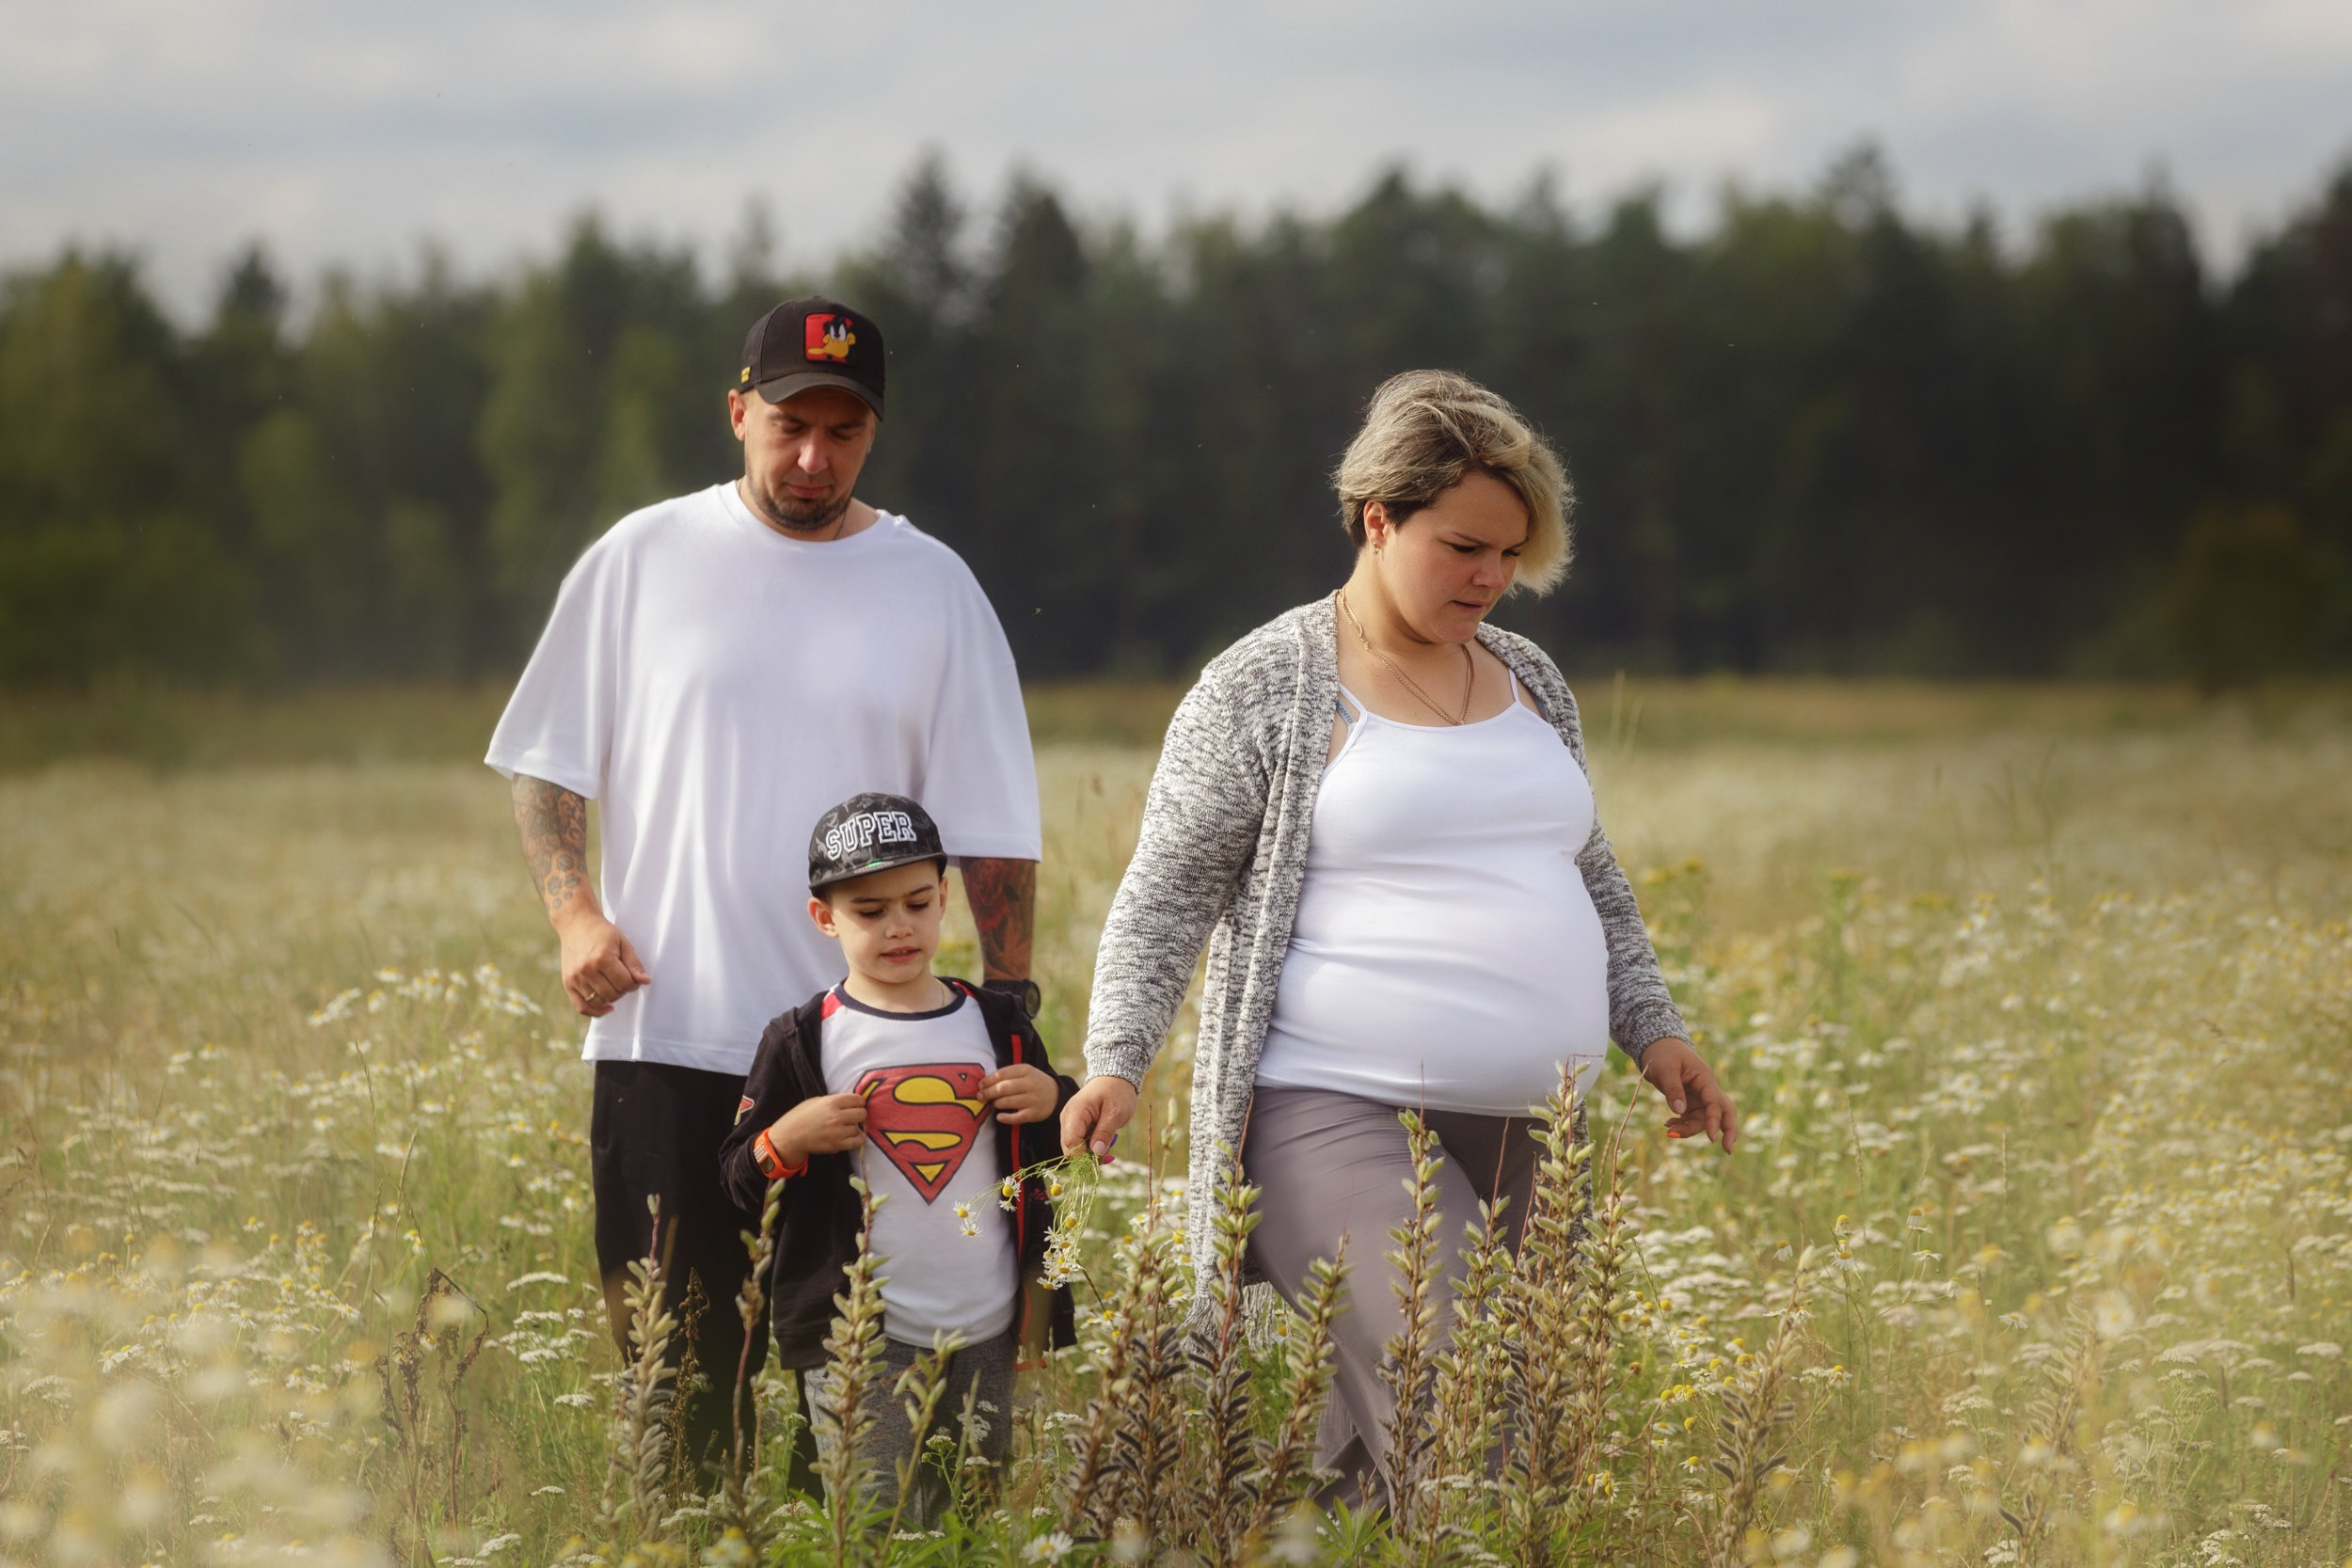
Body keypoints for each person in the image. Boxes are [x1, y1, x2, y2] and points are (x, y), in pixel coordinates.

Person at [1059, 369, 1740, 1499]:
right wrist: (1117, 1058)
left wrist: (1654, 1030)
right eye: (1462, 546)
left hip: (1537, 1125)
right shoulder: (1261, 686)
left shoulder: (1529, 677)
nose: (1490, 576)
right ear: (1377, 518)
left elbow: (1589, 874)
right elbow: (1166, 892)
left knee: (1494, 1444)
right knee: (1455, 1370)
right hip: (1330, 1104)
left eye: (1510, 554)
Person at [486, 297, 1044, 1480]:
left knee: (868, 1421)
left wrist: (1010, 1015)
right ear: (738, 411)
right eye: (790, 425)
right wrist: (575, 914)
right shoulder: (640, 559)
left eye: (844, 432)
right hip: (668, 1038)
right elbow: (546, 763)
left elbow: (993, 830)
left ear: (874, 433)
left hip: (867, 1057)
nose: (813, 457)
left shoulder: (934, 586)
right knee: (678, 1399)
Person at [715, 794, 1077, 1528]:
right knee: (875, 1523)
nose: (899, 926)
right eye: (870, 910)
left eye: (916, 902)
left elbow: (1058, 1162)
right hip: (860, 1336)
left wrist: (1055, 1097)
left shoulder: (1000, 1024)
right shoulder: (804, 1039)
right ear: (825, 917)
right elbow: (737, 1177)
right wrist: (789, 1136)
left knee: (974, 1518)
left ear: (944, 897)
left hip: (989, 1324)